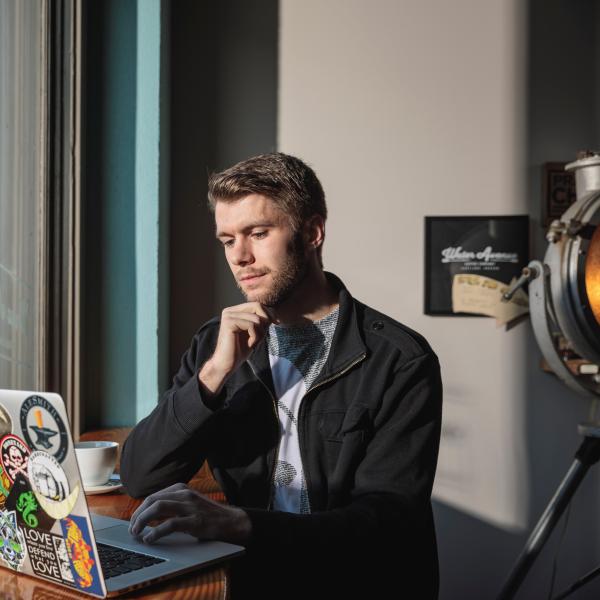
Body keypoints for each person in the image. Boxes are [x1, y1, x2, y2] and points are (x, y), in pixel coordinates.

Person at [120, 152, 443, 598]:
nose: (240, 256)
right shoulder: (217, 344)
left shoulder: (398, 359)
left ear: (311, 232)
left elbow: (387, 523)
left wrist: (240, 523)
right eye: (227, 240)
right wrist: (213, 375)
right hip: (250, 580)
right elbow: (140, 476)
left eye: (258, 233)